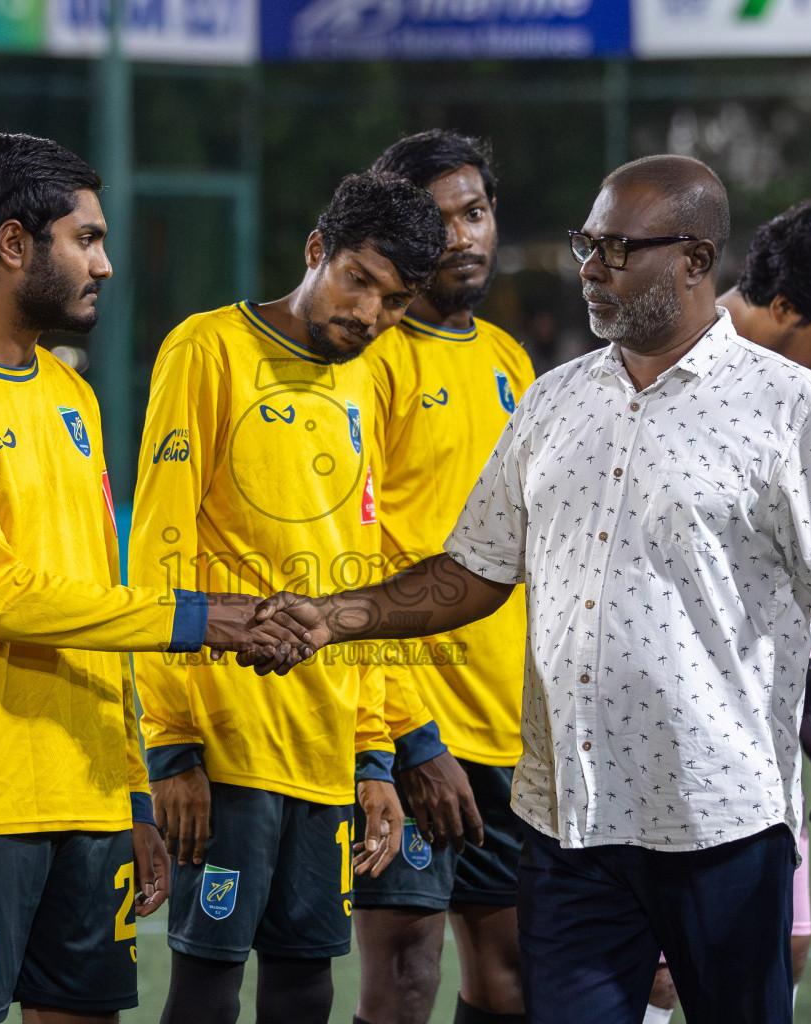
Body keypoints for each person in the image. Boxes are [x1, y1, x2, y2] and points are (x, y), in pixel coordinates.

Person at [254, 155, 811, 1024]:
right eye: (586, 244)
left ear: (693, 259)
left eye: (616, 249)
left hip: (721, 827)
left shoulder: (796, 410)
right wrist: (335, 617)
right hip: (567, 825)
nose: (590, 268)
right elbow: (472, 572)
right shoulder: (552, 400)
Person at [0, 131, 295, 1024]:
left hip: (91, 797)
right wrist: (200, 618)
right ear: (14, 244)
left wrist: (132, 791)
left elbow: (95, 584)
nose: (104, 263)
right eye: (85, 239)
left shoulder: (73, 395)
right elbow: (0, 596)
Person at [128, 170, 446, 1024]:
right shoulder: (206, 349)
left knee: (308, 980)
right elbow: (160, 549)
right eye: (359, 281)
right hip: (225, 744)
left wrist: (373, 755)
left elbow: (361, 570)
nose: (371, 314)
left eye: (395, 301)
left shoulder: (360, 377)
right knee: (206, 980)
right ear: (316, 252)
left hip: (326, 744)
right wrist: (171, 743)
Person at [643, 195, 811, 1023]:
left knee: (784, 949)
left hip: (755, 755)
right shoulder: (651, 370)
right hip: (641, 752)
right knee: (656, 973)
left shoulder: (805, 408)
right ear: (784, 307)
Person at [351, 130, 535, 1024]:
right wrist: (404, 736)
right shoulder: (371, 360)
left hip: (507, 730)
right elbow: (356, 560)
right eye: (439, 220)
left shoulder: (511, 363)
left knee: (509, 979)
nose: (464, 236)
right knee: (404, 973)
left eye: (476, 212)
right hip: (409, 728)